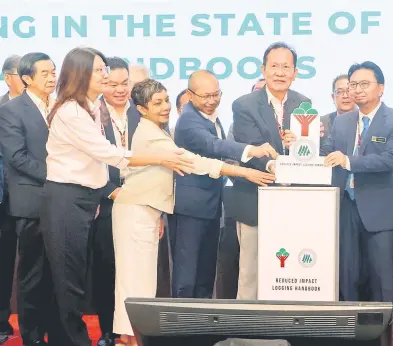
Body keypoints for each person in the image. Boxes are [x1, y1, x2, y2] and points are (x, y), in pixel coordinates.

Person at [40, 47, 194, 346]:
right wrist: (157, 158)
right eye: (99, 71)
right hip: (65, 199)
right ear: (82, 73)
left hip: (84, 199)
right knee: (68, 280)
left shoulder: (90, 106)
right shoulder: (71, 110)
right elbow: (108, 154)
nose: (105, 76)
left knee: (76, 278)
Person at [112, 78, 276, 346]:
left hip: (151, 211)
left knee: (143, 280)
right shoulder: (160, 129)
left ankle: (137, 336)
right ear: (141, 109)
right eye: (157, 103)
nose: (166, 107)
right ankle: (133, 337)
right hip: (137, 211)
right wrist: (244, 169)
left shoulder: (159, 128)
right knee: (136, 281)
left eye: (166, 100)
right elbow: (195, 161)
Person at [171, 70, 277, 299]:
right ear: (190, 95)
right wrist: (250, 150)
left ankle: (201, 324)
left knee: (206, 270)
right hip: (191, 207)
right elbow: (214, 145)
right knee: (187, 272)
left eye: (216, 95)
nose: (211, 101)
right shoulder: (189, 119)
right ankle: (181, 326)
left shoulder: (209, 115)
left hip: (210, 204)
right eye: (204, 96)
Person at [320, 61, 393, 304]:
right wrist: (303, 141)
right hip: (345, 206)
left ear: (380, 88)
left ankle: (383, 336)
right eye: (353, 84)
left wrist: (348, 160)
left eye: (364, 84)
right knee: (347, 274)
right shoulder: (342, 121)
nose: (357, 89)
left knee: (381, 277)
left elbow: (390, 160)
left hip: (378, 210)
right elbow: (328, 152)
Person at [231, 42, 309, 300]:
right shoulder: (244, 105)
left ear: (295, 73)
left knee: (288, 269)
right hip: (256, 196)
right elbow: (250, 147)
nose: (279, 72)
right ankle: (246, 333)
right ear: (263, 70)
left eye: (286, 67)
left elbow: (309, 149)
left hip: (293, 202)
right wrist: (274, 163)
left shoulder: (304, 104)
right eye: (274, 66)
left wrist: (298, 146)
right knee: (251, 271)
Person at [0, 52, 57, 346]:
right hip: (31, 203)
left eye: (53, 71)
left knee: (55, 272)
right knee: (32, 273)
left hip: (60, 203)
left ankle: (53, 329)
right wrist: (57, 175)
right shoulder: (12, 110)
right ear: (26, 78)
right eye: (45, 73)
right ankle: (32, 335)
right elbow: (17, 158)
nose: (52, 77)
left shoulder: (59, 106)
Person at [91, 57, 141, 346]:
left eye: (125, 83)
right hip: (105, 203)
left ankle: (135, 329)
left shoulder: (143, 113)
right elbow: (88, 160)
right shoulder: (91, 114)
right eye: (112, 84)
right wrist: (111, 190)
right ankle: (109, 330)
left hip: (139, 202)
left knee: (136, 270)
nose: (120, 90)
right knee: (106, 269)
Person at [0, 54, 23, 345]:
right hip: (4, 201)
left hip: (34, 197)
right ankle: (2, 320)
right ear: (8, 78)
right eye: (23, 73)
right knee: (3, 262)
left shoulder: (50, 108)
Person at [320, 74, 356, 139]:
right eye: (339, 92)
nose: (345, 96)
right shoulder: (321, 123)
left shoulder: (366, 121)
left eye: (349, 91)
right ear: (333, 97)